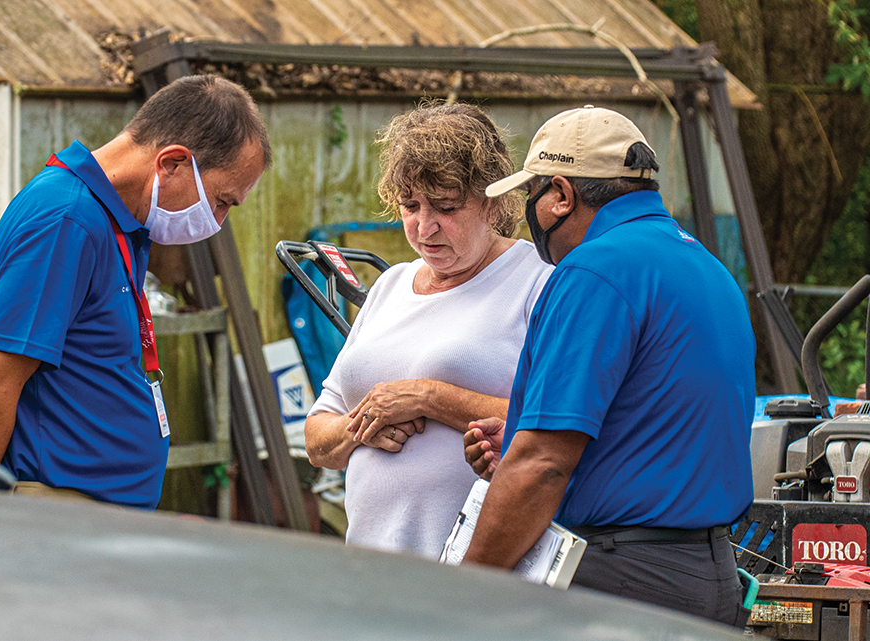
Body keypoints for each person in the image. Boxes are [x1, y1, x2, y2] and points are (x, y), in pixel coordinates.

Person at [462, 106, 755, 627]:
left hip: (625, 582)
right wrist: (517, 440)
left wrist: (460, 597)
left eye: (531, 195)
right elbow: (661, 422)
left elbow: (544, 464)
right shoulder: (706, 266)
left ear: (560, 195)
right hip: (711, 575)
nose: (530, 213)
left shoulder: (594, 270)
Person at [0, 75, 271, 509]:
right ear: (171, 163)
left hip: (89, 518)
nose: (219, 220)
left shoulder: (114, 221)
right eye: (222, 201)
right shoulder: (67, 221)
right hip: (56, 516)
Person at [305, 102, 553, 559]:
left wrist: (429, 397)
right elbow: (318, 437)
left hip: (474, 571)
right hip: (372, 564)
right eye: (410, 206)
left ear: (493, 202)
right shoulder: (392, 285)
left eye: (446, 207)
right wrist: (363, 428)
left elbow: (557, 428)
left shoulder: (537, 280)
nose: (424, 227)